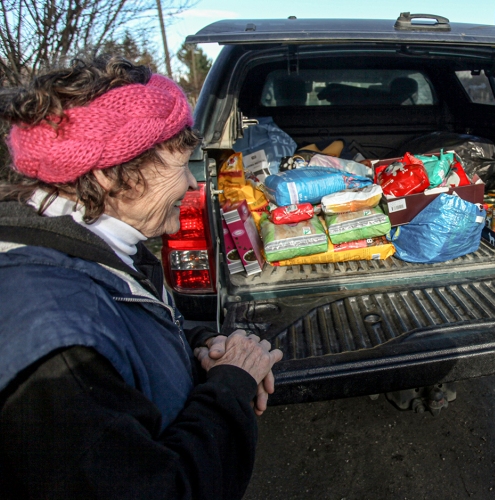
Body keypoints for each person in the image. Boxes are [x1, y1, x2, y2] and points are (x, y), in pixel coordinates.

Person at [0, 56, 283, 499]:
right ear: (111, 177)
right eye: (181, 163)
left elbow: (130, 334)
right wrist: (230, 388)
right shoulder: (56, 344)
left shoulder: (89, 250)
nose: (194, 184)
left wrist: (200, 346)